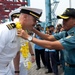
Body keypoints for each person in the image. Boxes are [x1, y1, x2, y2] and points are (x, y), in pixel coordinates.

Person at [17, 8, 75, 75]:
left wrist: (28, 37)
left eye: (66, 19)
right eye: (63, 19)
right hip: (68, 66)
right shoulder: (66, 32)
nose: (63, 22)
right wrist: (32, 29)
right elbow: (49, 37)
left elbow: (51, 45)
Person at [0, 6, 42, 75]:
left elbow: (16, 52)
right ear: (25, 17)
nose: (36, 23)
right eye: (34, 20)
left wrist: (17, 71)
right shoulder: (6, 30)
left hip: (6, 69)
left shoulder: (22, 32)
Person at [9, 8, 35, 75]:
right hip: (11, 60)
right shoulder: (9, 31)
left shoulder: (24, 30)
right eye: (17, 17)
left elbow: (28, 42)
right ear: (13, 18)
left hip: (23, 58)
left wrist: (32, 54)